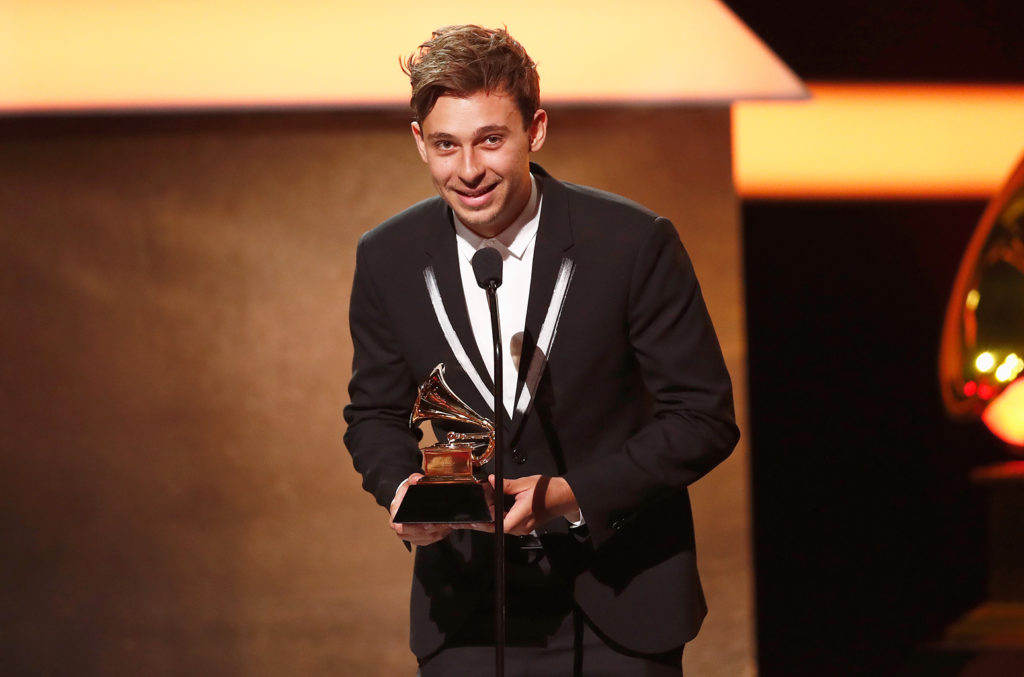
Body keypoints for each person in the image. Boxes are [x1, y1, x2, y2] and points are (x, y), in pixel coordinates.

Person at [343, 24, 739, 676]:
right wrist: (403, 492)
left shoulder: (633, 243)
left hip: (621, 603)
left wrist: (566, 494)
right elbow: (373, 415)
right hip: (468, 609)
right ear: (420, 142)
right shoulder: (387, 257)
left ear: (537, 129)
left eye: (491, 140)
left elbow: (703, 418)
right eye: (446, 145)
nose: (468, 170)